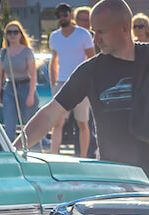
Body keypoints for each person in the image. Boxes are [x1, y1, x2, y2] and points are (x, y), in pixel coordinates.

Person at [16, 0, 149, 189]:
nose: (95, 40)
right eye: (94, 32)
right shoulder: (91, 71)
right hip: (115, 180)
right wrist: (15, 150)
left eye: (101, 32)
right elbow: (49, 114)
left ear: (125, 28)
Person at [49, 2, 95, 157]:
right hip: (62, 83)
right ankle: (54, 157)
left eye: (64, 14)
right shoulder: (54, 36)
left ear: (70, 15)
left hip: (80, 83)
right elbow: (53, 60)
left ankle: (83, 158)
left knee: (83, 123)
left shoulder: (83, 34)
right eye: (59, 15)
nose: (62, 17)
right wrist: (53, 83)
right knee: (58, 123)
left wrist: (89, 83)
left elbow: (91, 58)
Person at [0, 21, 38, 143]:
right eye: (9, 32)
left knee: (29, 125)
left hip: (26, 87)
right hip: (10, 89)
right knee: (9, 125)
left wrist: (31, 95)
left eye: (15, 32)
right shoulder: (4, 52)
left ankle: (33, 149)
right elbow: (0, 75)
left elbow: (33, 74)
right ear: (6, 35)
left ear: (20, 35)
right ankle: (11, 152)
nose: (12, 35)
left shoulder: (27, 51)